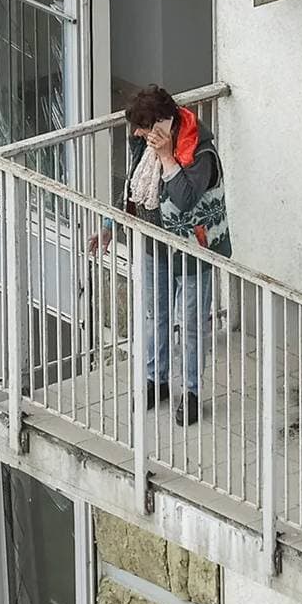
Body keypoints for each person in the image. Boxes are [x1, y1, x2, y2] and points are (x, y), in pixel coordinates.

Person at [120, 85, 232, 426]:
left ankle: (192, 392)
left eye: (143, 127)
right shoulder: (145, 143)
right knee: (157, 316)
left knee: (193, 325)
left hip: (194, 250)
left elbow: (184, 198)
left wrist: (168, 157)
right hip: (156, 245)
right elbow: (132, 189)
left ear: (161, 124)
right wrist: (112, 224)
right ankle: (158, 381)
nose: (137, 134)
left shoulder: (200, 151)